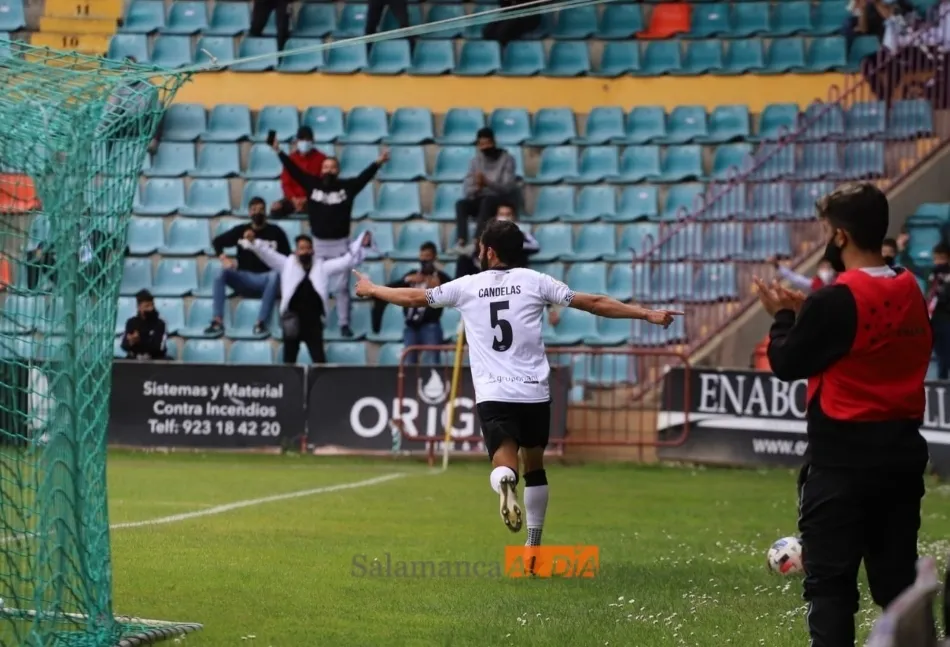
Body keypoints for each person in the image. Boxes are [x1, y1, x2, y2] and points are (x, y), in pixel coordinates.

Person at [353, 219, 680, 561]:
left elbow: (414, 297)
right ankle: (533, 545)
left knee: (503, 463)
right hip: (534, 392)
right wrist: (646, 314)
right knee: (535, 467)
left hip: (495, 393)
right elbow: (594, 302)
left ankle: (504, 481)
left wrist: (374, 289)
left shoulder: (467, 285)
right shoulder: (535, 281)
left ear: (489, 252)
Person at [754, 183, 932, 647]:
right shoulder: (910, 287)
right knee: (897, 586)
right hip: (901, 457)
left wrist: (782, 317)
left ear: (839, 236)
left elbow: (788, 362)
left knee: (830, 588)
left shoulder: (837, 299)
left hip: (842, 464)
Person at [274, 138, 388, 338]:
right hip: (318, 245)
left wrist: (378, 162)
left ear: (338, 170)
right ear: (321, 170)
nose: (328, 170)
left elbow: (363, 178)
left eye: (332, 167)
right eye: (326, 167)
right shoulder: (312, 184)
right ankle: (317, 319)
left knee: (342, 287)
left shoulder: (347, 188)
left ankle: (344, 323)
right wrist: (279, 151)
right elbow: (293, 170)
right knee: (315, 284)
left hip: (340, 244)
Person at [242, 230, 373, 364]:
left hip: (313, 323)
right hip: (292, 320)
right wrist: (254, 242)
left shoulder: (321, 267)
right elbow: (268, 254)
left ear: (312, 250)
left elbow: (345, 262)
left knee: (319, 362)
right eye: (301, 248)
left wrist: (360, 244)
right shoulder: (287, 264)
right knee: (289, 363)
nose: (304, 252)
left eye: (307, 248)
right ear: (296, 251)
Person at [205, 197, 290, 337]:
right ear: (249, 213)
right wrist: (224, 258)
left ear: (266, 211)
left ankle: (260, 322)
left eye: (261, 209)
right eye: (254, 210)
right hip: (244, 278)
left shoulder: (276, 232)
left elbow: (287, 262)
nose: (258, 213)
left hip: (268, 279)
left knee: (275, 275)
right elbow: (217, 242)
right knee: (220, 272)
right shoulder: (241, 231)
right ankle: (217, 321)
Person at [371, 241, 452, 366]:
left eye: (427, 257)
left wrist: (440, 288)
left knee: (432, 364)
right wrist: (407, 279)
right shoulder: (412, 275)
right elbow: (391, 289)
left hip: (431, 326)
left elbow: (455, 295)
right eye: (422, 257)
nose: (424, 260)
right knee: (409, 364)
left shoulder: (441, 277)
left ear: (434, 257)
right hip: (410, 327)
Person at [454, 128, 520, 254]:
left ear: (494, 142)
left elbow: (507, 187)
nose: (485, 147)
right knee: (461, 204)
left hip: (501, 198)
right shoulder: (476, 161)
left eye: (488, 144)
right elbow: (468, 189)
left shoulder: (507, 159)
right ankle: (461, 241)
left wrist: (487, 183)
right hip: (481, 196)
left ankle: (477, 242)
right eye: (481, 144)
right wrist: (477, 188)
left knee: (487, 201)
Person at [270, 126, 326, 220]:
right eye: (302, 139)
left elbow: (322, 184)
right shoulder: (291, 159)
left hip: (312, 200)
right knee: (275, 210)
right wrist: (294, 199)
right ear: (297, 141)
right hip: (292, 199)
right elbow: (286, 183)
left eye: (307, 139)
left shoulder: (321, 158)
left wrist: (306, 199)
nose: (304, 142)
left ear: (313, 141)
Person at [121, 289, 168, 360]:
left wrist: (139, 341)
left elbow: (159, 348)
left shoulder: (160, 324)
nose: (150, 309)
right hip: (135, 359)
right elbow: (124, 345)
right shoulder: (131, 322)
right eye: (147, 306)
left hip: (154, 360)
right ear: (139, 307)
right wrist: (131, 342)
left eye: (152, 305)